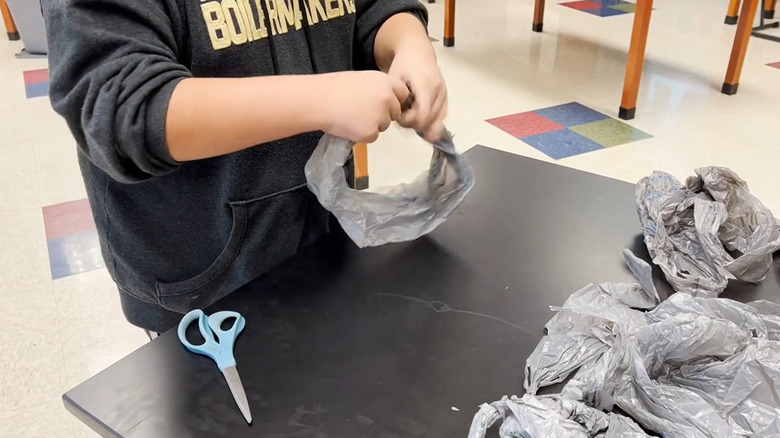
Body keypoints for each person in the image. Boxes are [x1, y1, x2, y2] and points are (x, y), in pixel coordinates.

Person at [42, 0, 447, 334]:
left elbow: (372, 10)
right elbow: (124, 112)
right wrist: (318, 100)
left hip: (322, 240)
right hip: (203, 278)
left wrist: (409, 42)